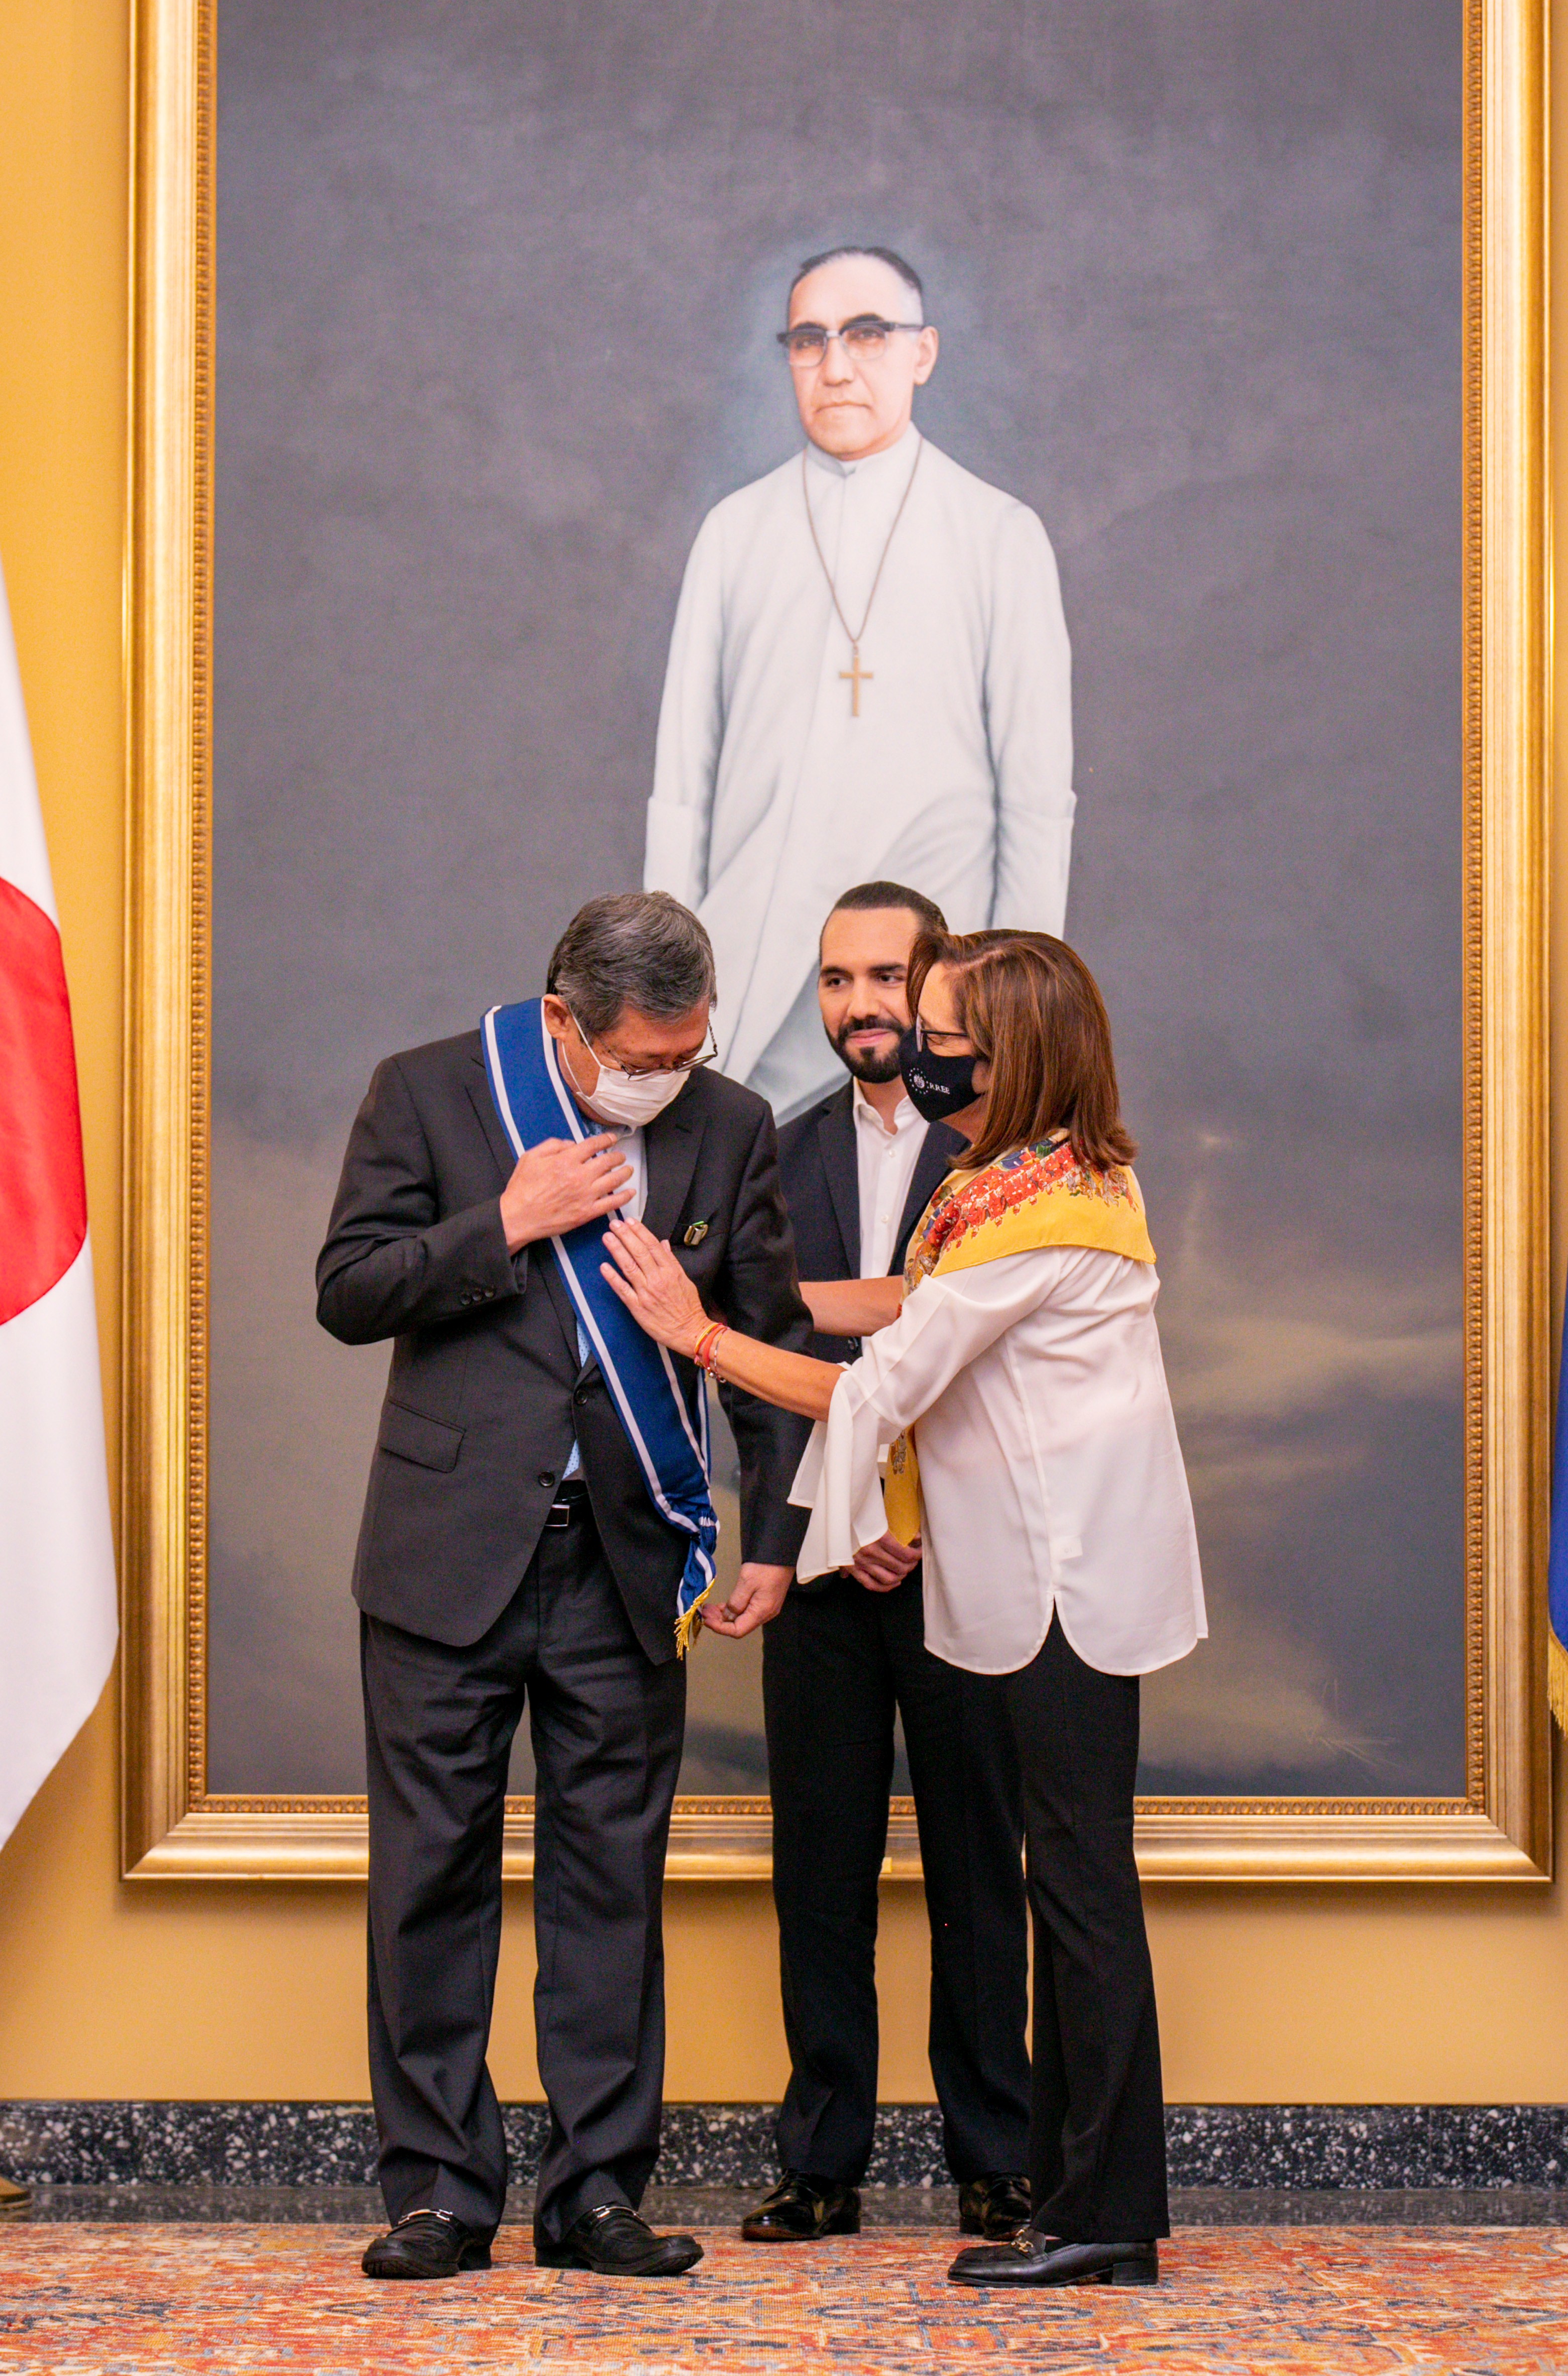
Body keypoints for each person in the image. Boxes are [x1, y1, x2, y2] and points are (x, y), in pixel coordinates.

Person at [602, 929, 1206, 2290]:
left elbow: (876, 1388)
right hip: (1049, 1578)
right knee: (1070, 1887)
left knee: (1079, 1894)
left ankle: (1105, 2215)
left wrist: (699, 1333)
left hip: (1064, 1586)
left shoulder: (1037, 1214)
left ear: (1013, 1053)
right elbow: (916, 1350)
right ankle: (1084, 2202)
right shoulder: (1029, 1182)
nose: (920, 1054)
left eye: (944, 1036)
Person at [315, 892, 812, 2284]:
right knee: (430, 1877)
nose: (666, 1079)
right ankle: (438, 2193)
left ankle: (596, 2193)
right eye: (642, 1058)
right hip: (446, 1553)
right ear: (563, 1023)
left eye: (687, 1052)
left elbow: (767, 1344)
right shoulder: (429, 1092)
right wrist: (506, 1220)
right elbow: (349, 1290)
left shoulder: (729, 1126)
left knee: (613, 1886)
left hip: (626, 1559)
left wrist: (774, 1537)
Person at [742, 880, 1033, 2247]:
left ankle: (998, 2159)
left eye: (887, 978)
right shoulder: (773, 1151)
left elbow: (988, 1355)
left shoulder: (1002, 1155)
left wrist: (916, 1509)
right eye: (836, 978)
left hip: (964, 1558)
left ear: (940, 993)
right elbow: (754, 1372)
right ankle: (821, 2165)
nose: (861, 1004)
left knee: (980, 1868)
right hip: (818, 1559)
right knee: (820, 1871)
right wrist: (812, 1527)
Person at [643, 244, 1075, 1122]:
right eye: (809, 340)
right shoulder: (734, 533)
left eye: (868, 334)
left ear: (923, 352)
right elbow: (683, 791)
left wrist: (1020, 1007)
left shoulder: (998, 534)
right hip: (756, 951)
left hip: (938, 970)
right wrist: (662, 982)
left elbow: (1034, 800)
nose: (835, 366)